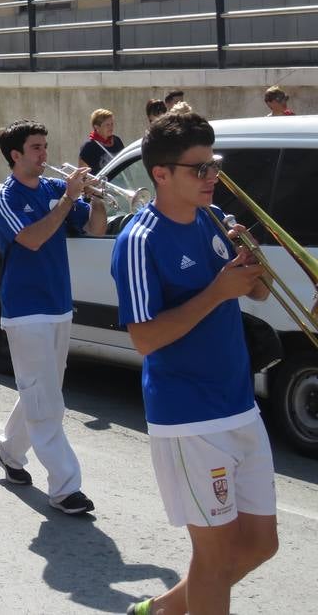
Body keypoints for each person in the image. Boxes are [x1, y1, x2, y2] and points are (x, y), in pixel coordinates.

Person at [113, 112, 277, 615]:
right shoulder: (139, 241)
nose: (212, 178)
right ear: (160, 174)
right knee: (216, 556)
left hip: (238, 403)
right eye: (200, 169)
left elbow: (262, 293)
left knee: (260, 545)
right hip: (189, 417)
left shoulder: (210, 219)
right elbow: (144, 339)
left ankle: (163, 609)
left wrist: (252, 266)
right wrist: (218, 291)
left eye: (214, 166)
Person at [0, 120, 106, 516]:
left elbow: (95, 228)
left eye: (45, 145)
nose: (44, 154)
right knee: (48, 402)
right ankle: (65, 487)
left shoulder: (56, 189)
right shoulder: (3, 196)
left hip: (58, 306)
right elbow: (33, 240)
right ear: (15, 155)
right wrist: (70, 200)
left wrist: (99, 194)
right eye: (36, 148)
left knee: (41, 390)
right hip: (25, 311)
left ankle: (7, 450)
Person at [78, 108, 124, 175]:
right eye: (107, 125)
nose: (111, 127)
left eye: (112, 124)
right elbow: (82, 175)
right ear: (96, 127)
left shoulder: (117, 140)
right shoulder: (89, 147)